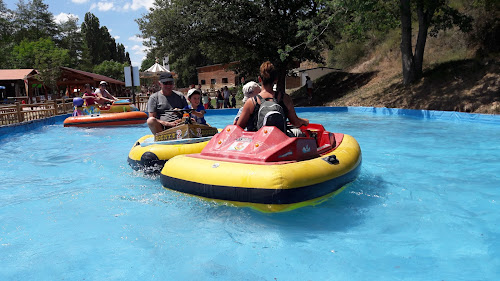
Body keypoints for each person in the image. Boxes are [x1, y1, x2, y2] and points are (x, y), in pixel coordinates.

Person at [236, 61, 308, 135]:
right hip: (280, 141)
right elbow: (296, 122)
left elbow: (239, 127)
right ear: (276, 79)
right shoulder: (285, 98)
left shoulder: (251, 102)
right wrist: (304, 121)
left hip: (258, 143)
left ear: (260, 79)